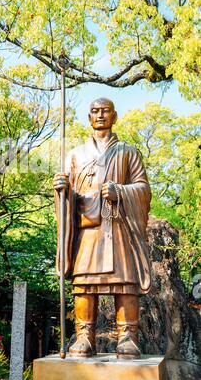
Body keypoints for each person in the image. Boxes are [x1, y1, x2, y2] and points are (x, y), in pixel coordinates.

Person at [53, 98, 151, 359]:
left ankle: (128, 336)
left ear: (114, 116)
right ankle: (85, 335)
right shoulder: (75, 154)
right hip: (89, 229)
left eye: (105, 111)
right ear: (89, 118)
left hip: (119, 227)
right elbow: (68, 196)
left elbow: (143, 188)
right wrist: (63, 191)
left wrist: (120, 190)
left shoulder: (128, 152)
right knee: (84, 283)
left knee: (125, 283)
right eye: (95, 111)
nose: (100, 115)